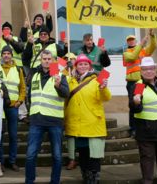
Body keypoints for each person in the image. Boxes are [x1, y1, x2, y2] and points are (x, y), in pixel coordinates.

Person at [64, 54, 111, 183]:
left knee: (94, 157)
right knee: (83, 155)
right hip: (76, 125)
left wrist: (103, 88)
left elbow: (106, 97)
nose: (83, 66)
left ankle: (94, 179)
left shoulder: (97, 79)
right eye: (80, 64)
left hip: (92, 123)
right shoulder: (70, 80)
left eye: (85, 64)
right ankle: (86, 178)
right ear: (76, 66)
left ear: (89, 66)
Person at [25, 50, 69, 184]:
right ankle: (29, 181)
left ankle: (55, 181)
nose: (46, 61)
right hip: (37, 120)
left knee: (56, 156)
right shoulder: (35, 75)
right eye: (44, 58)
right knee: (30, 155)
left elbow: (66, 93)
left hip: (54, 121)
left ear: (53, 60)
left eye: (49, 59)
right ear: (41, 60)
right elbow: (30, 97)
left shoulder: (60, 75)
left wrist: (58, 86)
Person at [123, 29, 157, 137]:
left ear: (135, 40)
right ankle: (133, 129)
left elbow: (153, 47)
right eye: (129, 40)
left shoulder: (142, 50)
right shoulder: (126, 53)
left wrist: (152, 36)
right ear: (127, 42)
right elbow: (133, 56)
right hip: (132, 83)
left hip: (141, 82)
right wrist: (141, 44)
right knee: (133, 105)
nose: (131, 41)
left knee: (142, 103)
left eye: (132, 39)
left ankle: (142, 128)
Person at [0, 45, 26, 171]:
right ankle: (0, 162)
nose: (6, 55)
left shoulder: (18, 69)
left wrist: (20, 101)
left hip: (13, 106)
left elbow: (23, 88)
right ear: (1, 55)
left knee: (13, 135)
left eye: (8, 53)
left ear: (11, 55)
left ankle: (12, 160)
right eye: (4, 53)